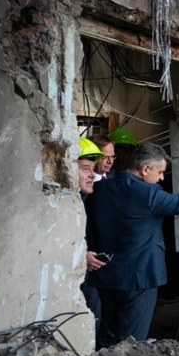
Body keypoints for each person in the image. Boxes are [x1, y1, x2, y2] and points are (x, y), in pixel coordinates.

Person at [87, 142, 179, 348]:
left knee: (107, 334)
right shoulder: (148, 195)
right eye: (159, 172)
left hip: (105, 275)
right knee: (131, 343)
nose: (161, 178)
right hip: (139, 278)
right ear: (145, 169)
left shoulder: (100, 188)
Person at [77, 138, 107, 332]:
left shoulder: (83, 199)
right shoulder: (55, 206)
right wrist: (82, 255)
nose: (93, 175)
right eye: (86, 168)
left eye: (93, 169)